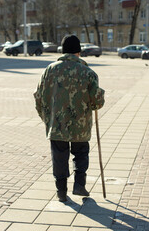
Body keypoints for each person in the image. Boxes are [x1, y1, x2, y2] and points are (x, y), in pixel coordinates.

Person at [33, 35, 105, 202]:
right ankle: (79, 184)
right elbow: (97, 102)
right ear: (78, 51)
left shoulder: (49, 70)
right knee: (81, 152)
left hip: (57, 125)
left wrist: (47, 119)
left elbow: (39, 97)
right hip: (80, 125)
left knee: (59, 155)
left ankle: (61, 191)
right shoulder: (88, 72)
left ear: (63, 51)